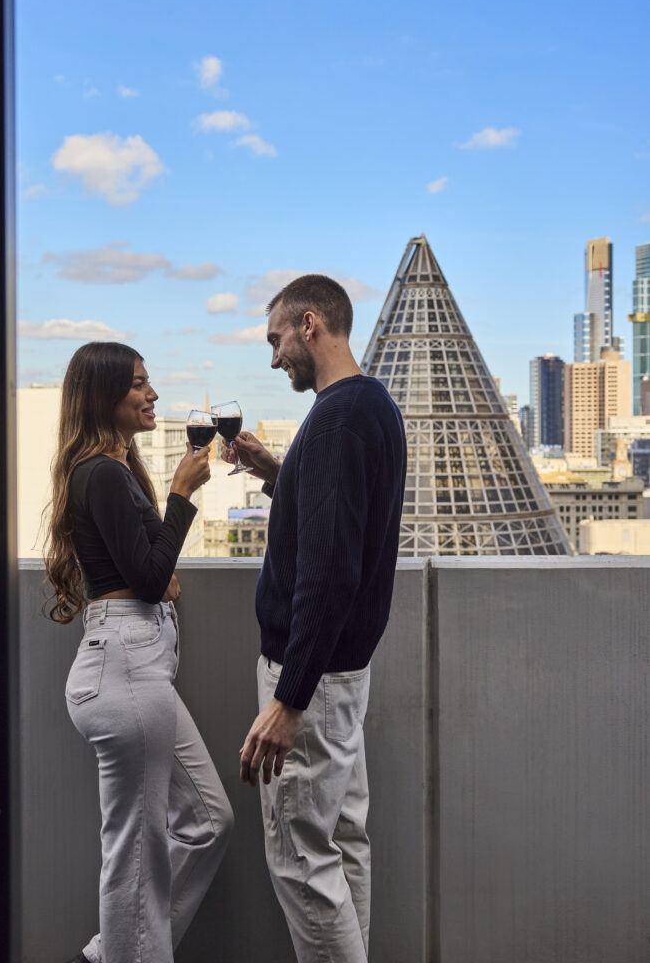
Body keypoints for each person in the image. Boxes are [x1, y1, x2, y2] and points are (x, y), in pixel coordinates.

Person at [223, 275, 406, 963]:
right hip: (345, 673)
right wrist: (278, 471)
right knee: (341, 844)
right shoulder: (370, 405)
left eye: (275, 340)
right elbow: (343, 523)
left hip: (315, 680)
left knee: (301, 860)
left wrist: (287, 699)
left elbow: (328, 571)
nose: (274, 359)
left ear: (309, 324)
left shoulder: (332, 418)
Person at [44, 341, 233, 963]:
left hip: (138, 665)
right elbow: (152, 578)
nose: (152, 394)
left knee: (207, 823)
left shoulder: (114, 471)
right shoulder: (99, 473)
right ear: (104, 396)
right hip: (124, 667)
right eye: (138, 384)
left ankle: (112, 951)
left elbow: (151, 567)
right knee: (133, 858)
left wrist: (161, 548)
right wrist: (182, 493)